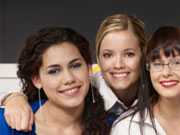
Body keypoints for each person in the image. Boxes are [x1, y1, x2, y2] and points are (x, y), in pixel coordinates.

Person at [0, 13, 147, 130]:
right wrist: (14, 99)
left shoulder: (160, 85)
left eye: (129, 54)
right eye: (108, 55)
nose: (118, 64)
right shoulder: (93, 81)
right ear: (98, 60)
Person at [0, 27, 110, 134]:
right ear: (37, 80)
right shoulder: (8, 124)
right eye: (54, 71)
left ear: (89, 68)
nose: (69, 79)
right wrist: (13, 98)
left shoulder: (113, 126)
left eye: (76, 65)